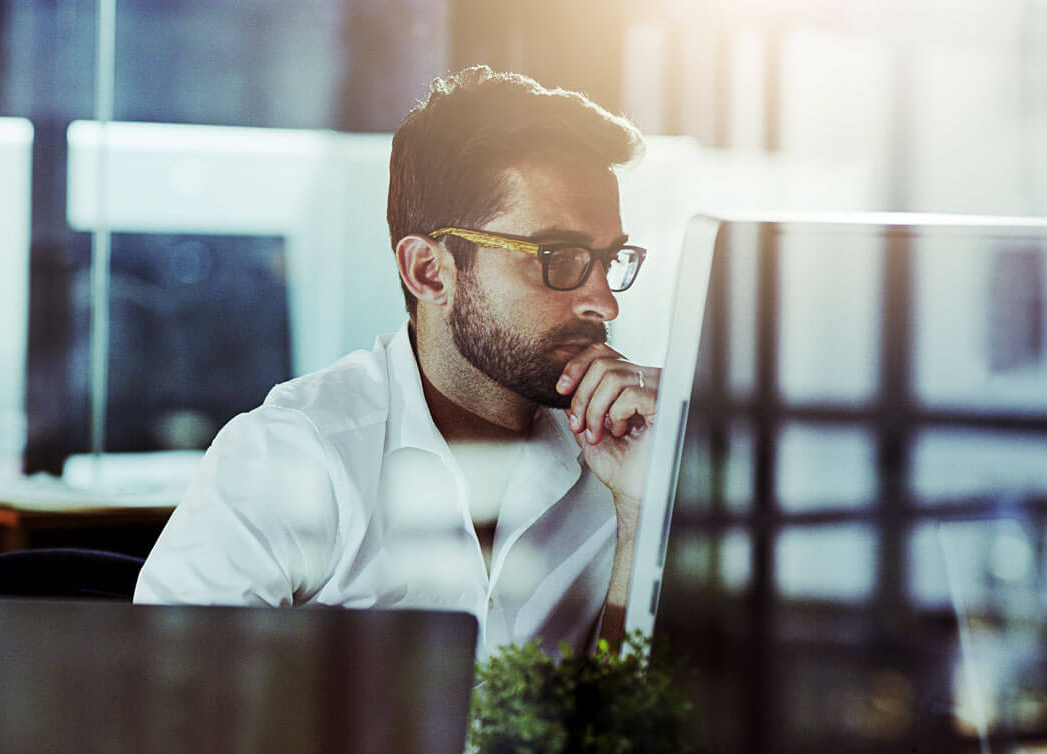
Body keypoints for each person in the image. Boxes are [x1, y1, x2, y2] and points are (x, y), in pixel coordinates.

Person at [135, 65, 658, 660]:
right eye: (558, 257)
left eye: (609, 259)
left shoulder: (623, 458)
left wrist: (644, 515)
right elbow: (167, 711)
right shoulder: (293, 454)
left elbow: (633, 736)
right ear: (429, 271)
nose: (604, 300)